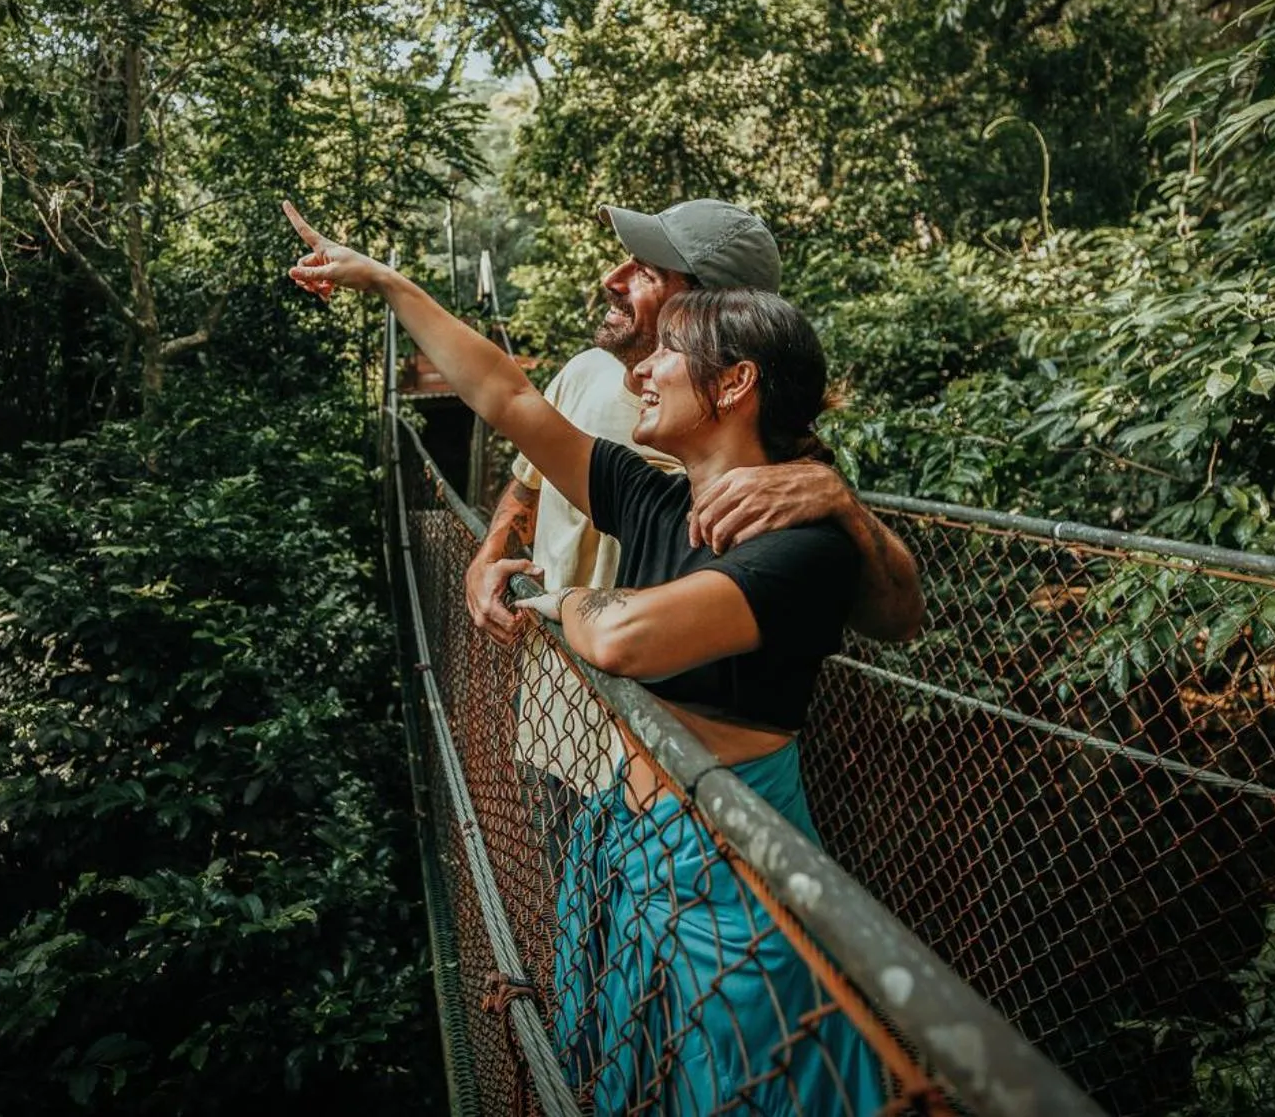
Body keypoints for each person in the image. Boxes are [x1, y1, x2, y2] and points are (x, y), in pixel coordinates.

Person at [284, 201, 888, 1113]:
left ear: (732, 386)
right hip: (627, 823)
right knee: (615, 1055)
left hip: (726, 854)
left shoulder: (806, 540)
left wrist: (551, 596)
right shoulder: (649, 498)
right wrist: (386, 281)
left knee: (738, 1076)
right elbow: (510, 398)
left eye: (665, 355)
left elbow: (619, 636)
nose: (640, 370)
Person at [466, 198, 922, 654]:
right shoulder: (582, 372)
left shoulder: (763, 458)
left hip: (652, 711)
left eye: (646, 273)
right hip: (548, 688)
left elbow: (896, 618)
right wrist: (487, 559)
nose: (611, 280)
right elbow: (528, 487)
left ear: (711, 307)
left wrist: (841, 501)